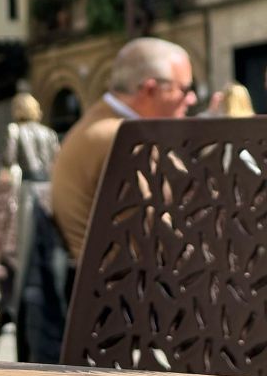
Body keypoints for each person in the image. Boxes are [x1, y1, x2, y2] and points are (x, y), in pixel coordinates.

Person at [51, 36, 196, 261]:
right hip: (122, 285)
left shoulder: (104, 124)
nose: (192, 99)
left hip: (112, 279)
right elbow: (155, 233)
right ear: (150, 90)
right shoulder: (119, 137)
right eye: (185, 89)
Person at [4, 91, 59, 182]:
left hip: (28, 185)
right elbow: (58, 159)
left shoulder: (16, 131)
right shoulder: (49, 133)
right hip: (48, 184)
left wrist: (11, 137)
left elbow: (8, 160)